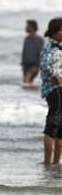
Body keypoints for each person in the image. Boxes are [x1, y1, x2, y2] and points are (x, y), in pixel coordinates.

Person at [40, 17, 62, 165]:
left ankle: (56, 163)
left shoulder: (58, 47)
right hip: (55, 90)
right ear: (53, 33)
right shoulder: (51, 48)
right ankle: (48, 162)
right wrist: (54, 76)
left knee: (60, 128)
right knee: (52, 125)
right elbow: (44, 64)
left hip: (59, 89)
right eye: (60, 30)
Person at [21, 20, 44, 85]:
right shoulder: (27, 39)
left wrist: (36, 65)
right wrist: (23, 64)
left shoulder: (39, 40)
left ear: (32, 27)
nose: (26, 27)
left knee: (26, 80)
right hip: (26, 65)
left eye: (27, 26)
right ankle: (30, 94)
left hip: (34, 65)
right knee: (28, 82)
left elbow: (40, 53)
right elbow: (24, 52)